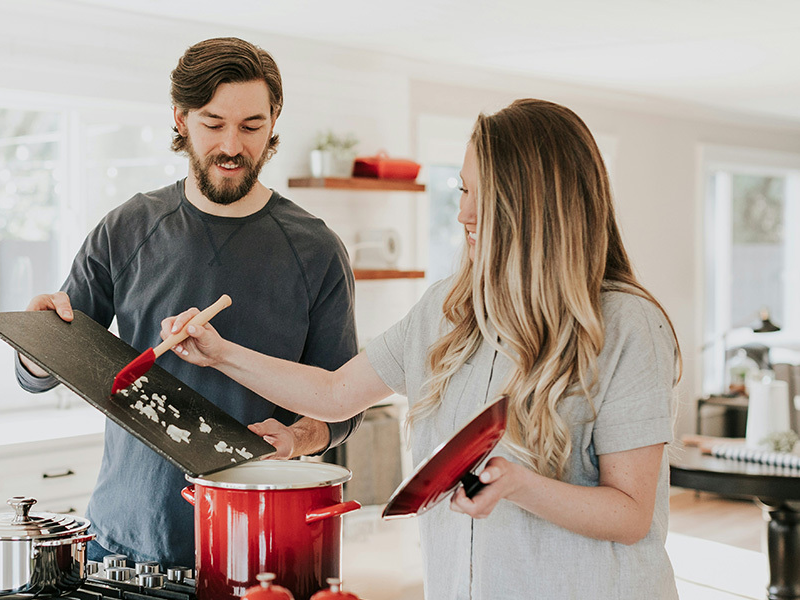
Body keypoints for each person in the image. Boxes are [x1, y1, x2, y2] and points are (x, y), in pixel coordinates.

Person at [163, 99, 682, 599]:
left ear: (538, 206)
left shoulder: (627, 325)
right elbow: (335, 393)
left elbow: (632, 513)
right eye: (462, 190)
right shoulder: (446, 309)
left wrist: (519, 484)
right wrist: (219, 352)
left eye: (484, 195)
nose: (464, 213)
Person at [14, 37, 362, 569]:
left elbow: (343, 403)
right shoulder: (126, 228)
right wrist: (35, 344)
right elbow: (45, 369)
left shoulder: (316, 250)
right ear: (180, 118)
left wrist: (298, 437)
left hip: (256, 545)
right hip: (122, 544)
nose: (232, 146)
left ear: (273, 122)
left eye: (251, 126)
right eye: (213, 123)